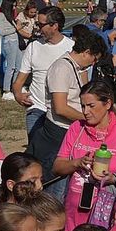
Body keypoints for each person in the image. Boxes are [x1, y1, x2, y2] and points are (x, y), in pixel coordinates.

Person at [54, 80, 116, 231]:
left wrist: (113, 178)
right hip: (75, 215)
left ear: (107, 104)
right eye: (82, 106)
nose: (85, 111)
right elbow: (57, 167)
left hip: (109, 216)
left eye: (91, 106)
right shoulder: (76, 128)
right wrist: (77, 163)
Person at [31, 25, 104, 173]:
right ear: (86, 53)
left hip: (70, 129)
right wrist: (88, 119)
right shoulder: (61, 68)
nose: (93, 63)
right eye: (94, 59)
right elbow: (61, 108)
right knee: (55, 179)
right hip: (57, 132)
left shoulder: (77, 68)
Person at [12, 6, 72, 143]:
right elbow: (19, 81)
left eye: (41, 24)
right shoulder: (33, 47)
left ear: (55, 26)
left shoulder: (71, 48)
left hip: (62, 112)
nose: (38, 28)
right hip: (36, 109)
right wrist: (17, 94)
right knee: (35, 152)